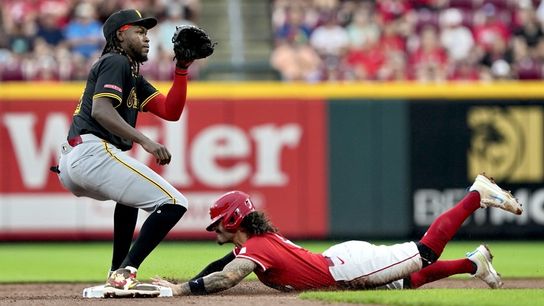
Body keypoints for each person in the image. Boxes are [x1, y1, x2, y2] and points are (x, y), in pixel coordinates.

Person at [152, 173, 523, 294]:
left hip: (345, 268)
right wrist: (184, 283)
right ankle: (474, 264)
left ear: (233, 221)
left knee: (424, 253)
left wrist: (181, 289)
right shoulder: (254, 245)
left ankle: (476, 195)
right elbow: (222, 264)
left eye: (218, 222)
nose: (214, 228)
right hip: (340, 264)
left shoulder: (258, 247)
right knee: (407, 282)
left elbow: (229, 277)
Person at [54, 8, 202, 297]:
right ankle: (127, 271)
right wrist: (146, 141)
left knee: (130, 196)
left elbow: (170, 111)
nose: (146, 38)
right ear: (120, 35)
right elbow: (101, 109)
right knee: (174, 202)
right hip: (91, 153)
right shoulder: (116, 62)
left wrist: (181, 68)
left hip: (75, 160)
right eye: (139, 31)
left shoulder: (131, 73)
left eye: (146, 32)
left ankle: (115, 273)